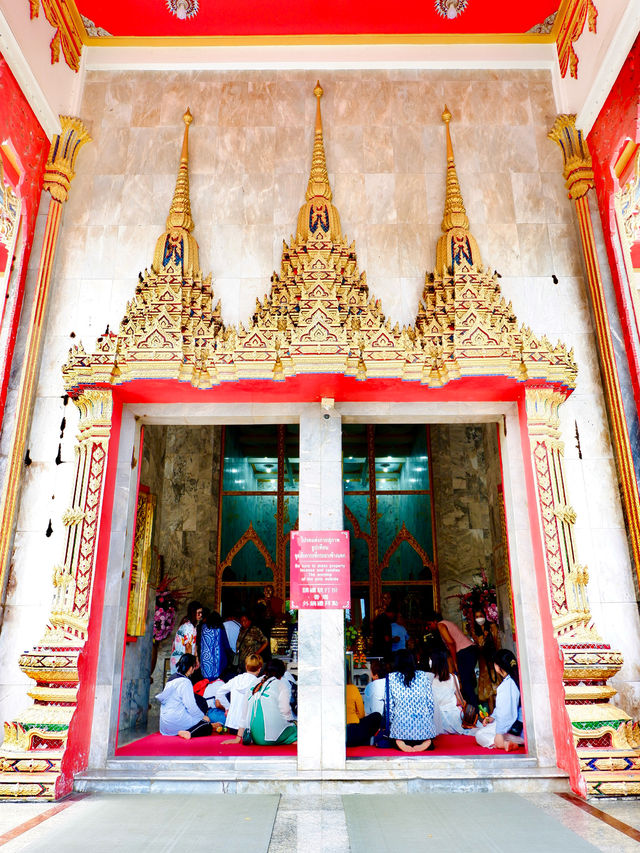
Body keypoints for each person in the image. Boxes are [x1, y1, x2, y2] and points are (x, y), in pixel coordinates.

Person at [387, 650, 436, 752]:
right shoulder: (423, 675)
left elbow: (390, 707)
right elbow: (430, 703)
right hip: (423, 728)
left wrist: (392, 725)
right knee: (427, 737)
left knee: (393, 737)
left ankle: (399, 741)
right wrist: (428, 721)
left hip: (400, 728)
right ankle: (427, 741)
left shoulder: (391, 678)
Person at [475, 649, 524, 751]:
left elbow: (505, 713)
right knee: (488, 727)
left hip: (515, 731)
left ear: (498, 666)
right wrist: (492, 718)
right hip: (523, 728)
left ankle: (504, 744)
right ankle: (511, 742)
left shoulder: (506, 685)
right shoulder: (518, 678)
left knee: (480, 734)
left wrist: (499, 733)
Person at [426, 610, 478, 705]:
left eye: (429, 624)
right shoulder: (445, 623)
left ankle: (473, 712)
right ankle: (472, 710)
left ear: (434, 621)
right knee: (467, 683)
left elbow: (451, 643)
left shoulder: (440, 625)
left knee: (466, 685)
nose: (429, 627)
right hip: (468, 651)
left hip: (465, 652)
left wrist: (455, 662)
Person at [156, 653, 212, 739]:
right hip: (176, 721)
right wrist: (202, 716)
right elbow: (191, 706)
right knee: (207, 726)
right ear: (190, 668)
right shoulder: (185, 682)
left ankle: (184, 730)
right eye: (194, 667)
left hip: (165, 726)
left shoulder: (171, 679)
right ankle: (188, 733)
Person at [247, 659, 297, 745]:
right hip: (270, 737)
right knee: (295, 729)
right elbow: (286, 711)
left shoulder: (255, 682)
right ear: (282, 674)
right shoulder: (281, 684)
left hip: (254, 735)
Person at [215, 653, 263, 743]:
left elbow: (219, 692)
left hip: (232, 724)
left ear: (246, 666)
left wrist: (228, 707)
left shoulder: (236, 679)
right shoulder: (258, 683)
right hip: (248, 727)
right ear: (259, 669)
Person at [429, 649, 475, 735]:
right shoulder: (453, 677)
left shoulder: (429, 679)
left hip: (436, 719)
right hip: (453, 716)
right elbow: (461, 701)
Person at [470, 608, 500, 713]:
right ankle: (492, 714)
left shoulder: (492, 627)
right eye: (477, 617)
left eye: (480, 615)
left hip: (494, 661)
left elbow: (497, 643)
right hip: (483, 663)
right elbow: (478, 647)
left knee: (497, 689)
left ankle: (499, 713)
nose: (479, 619)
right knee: (488, 693)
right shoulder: (475, 631)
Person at [169, 600, 203, 675]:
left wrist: (196, 658)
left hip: (180, 659)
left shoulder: (189, 625)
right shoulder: (188, 627)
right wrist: (190, 664)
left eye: (201, 613)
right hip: (182, 661)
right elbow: (188, 646)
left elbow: (193, 645)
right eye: (198, 613)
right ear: (193, 613)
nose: (200, 615)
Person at [345, 680, 383, 747]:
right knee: (377, 716)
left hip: (335, 733)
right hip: (352, 731)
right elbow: (361, 713)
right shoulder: (352, 688)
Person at [197, 609, 232, 680]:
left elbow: (198, 642)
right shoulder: (220, 629)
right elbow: (226, 644)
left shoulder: (202, 628)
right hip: (219, 661)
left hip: (205, 660)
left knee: (206, 681)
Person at [372, 594, 395, 660]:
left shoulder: (388, 613)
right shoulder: (382, 617)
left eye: (388, 598)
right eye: (385, 598)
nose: (387, 600)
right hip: (382, 646)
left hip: (381, 645)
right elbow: (386, 636)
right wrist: (391, 639)